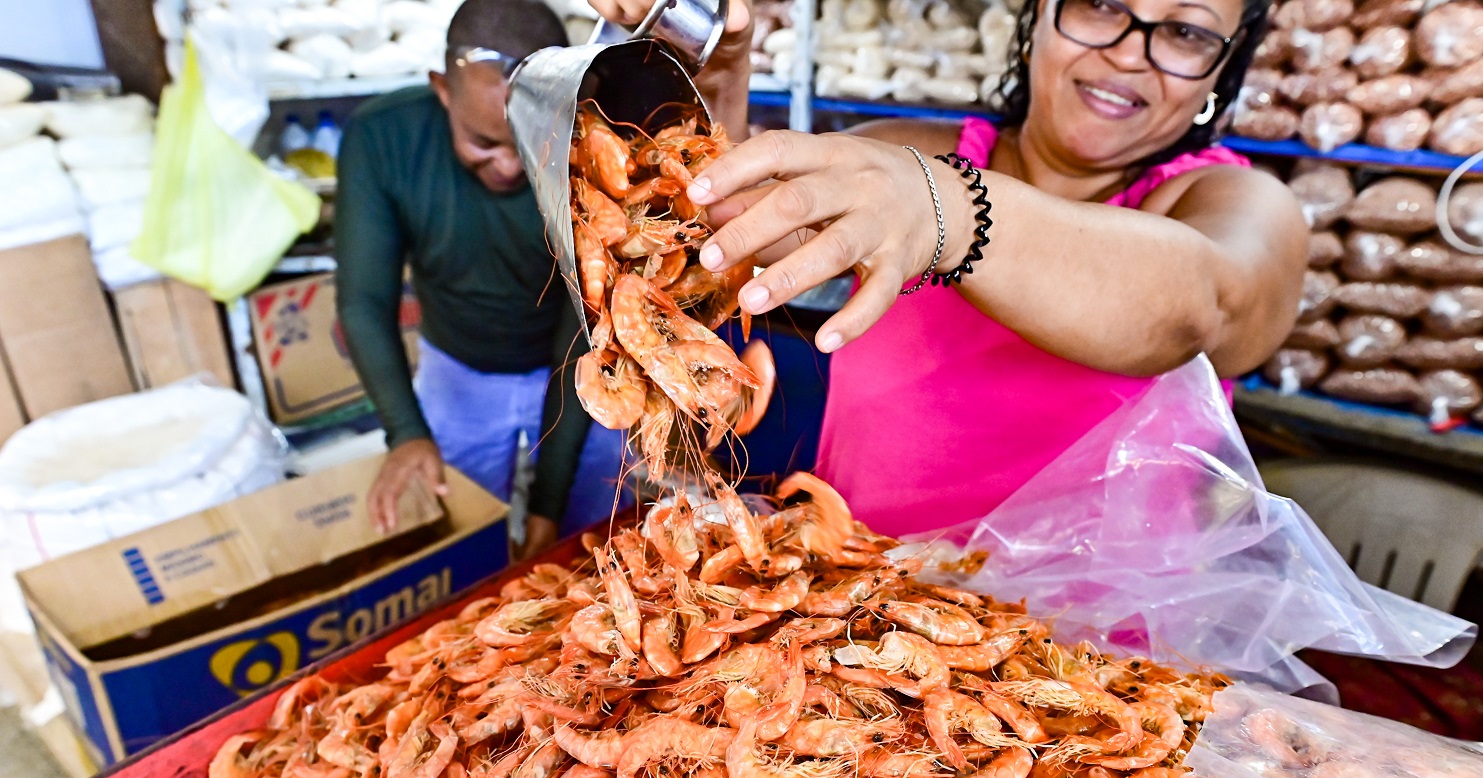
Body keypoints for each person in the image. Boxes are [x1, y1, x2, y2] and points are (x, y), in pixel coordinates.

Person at [597, 0, 1307, 537]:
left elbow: (1200, 306)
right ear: (1038, 16)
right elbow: (720, 227)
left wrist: (946, 210)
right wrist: (708, 73)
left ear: (1223, 66)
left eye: (1185, 32)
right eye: (1102, 4)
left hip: (1095, 666)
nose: (1129, 53)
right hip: (864, 611)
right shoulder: (910, 152)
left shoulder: (1237, 203)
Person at [336, 0, 627, 560]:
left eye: (525, 142)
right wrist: (405, 432)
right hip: (459, 372)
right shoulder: (382, 140)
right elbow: (363, 303)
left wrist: (547, 501)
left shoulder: (589, 146)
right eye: (483, 142)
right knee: (463, 550)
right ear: (442, 90)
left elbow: (582, 323)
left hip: (576, 368)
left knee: (590, 543)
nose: (509, 166)